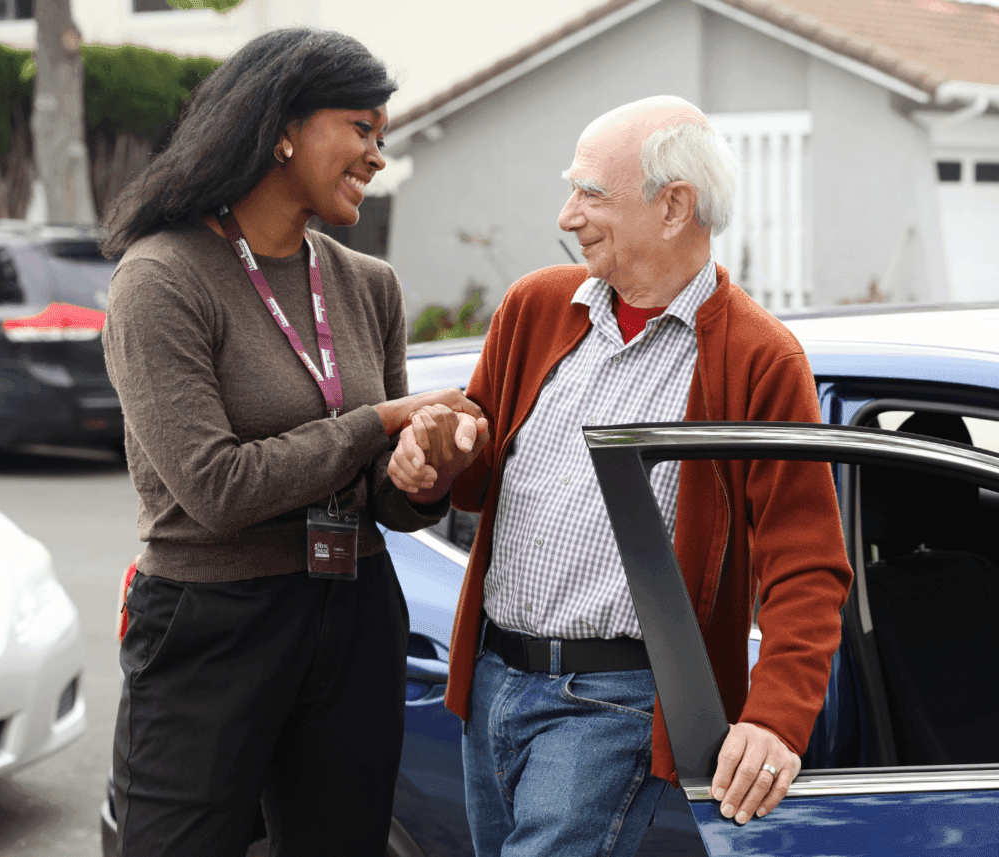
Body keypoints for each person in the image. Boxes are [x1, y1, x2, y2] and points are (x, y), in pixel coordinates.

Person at [388, 96, 853, 857]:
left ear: (674, 207)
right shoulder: (535, 306)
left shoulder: (759, 359)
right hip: (492, 682)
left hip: (615, 702)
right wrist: (440, 458)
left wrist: (775, 718)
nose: (568, 215)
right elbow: (477, 465)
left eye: (591, 193)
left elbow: (807, 567)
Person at [100, 28, 487, 857]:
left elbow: (383, 492)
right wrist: (376, 422)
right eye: (360, 128)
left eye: (382, 136)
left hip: (353, 612)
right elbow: (216, 488)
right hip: (212, 622)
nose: (377, 155)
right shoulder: (161, 277)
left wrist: (426, 468)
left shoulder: (367, 283)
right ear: (282, 127)